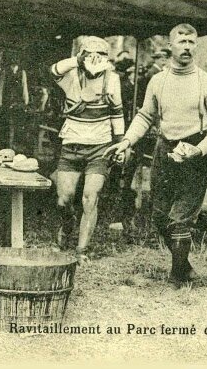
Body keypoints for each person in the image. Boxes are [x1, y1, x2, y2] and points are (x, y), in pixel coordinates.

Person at [105, 23, 207, 287]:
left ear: (196, 46)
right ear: (170, 46)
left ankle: (176, 278)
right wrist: (126, 141)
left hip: (195, 152)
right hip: (164, 149)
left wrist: (200, 149)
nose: (186, 47)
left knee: (181, 219)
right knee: (160, 217)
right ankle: (186, 269)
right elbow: (145, 115)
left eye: (191, 42)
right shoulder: (158, 80)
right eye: (181, 41)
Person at [50, 36, 124, 262]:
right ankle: (66, 225)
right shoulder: (72, 75)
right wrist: (77, 60)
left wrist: (120, 144)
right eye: (89, 53)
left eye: (100, 54)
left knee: (90, 197)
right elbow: (54, 70)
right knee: (64, 199)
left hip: (100, 147)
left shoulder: (112, 79)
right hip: (71, 144)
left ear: (107, 58)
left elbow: (117, 113)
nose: (95, 58)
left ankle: (82, 250)